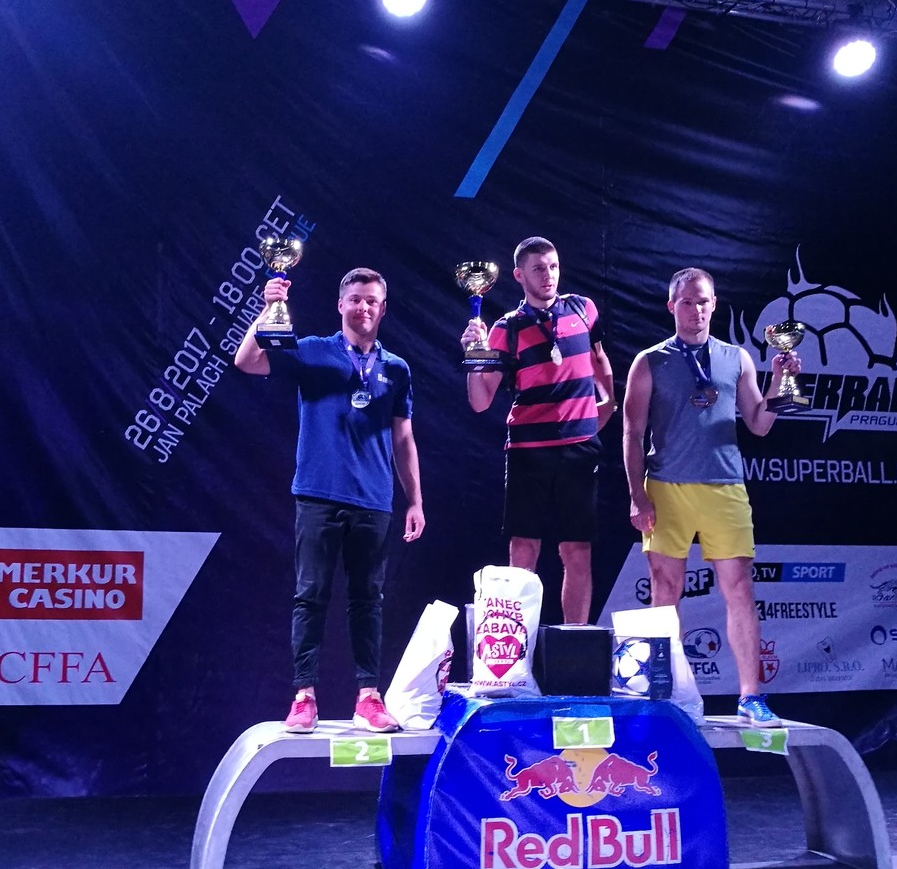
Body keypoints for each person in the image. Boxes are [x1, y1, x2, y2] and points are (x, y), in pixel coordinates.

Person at [235, 266, 425, 734]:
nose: (363, 307)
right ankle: (303, 697)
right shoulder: (312, 351)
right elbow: (247, 360)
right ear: (341, 304)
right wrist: (267, 308)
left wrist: (415, 500)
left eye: (372, 300)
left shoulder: (397, 369)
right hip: (318, 494)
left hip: (374, 498)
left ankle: (368, 698)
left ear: (383, 308)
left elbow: (403, 439)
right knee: (310, 597)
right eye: (355, 299)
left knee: (368, 601)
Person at [619, 267, 801, 727]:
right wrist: (638, 496)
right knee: (665, 591)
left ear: (714, 304)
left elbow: (759, 423)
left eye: (703, 302)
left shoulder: (737, 357)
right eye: (687, 302)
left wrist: (780, 382)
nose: (696, 311)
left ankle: (750, 696)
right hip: (667, 487)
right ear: (672, 306)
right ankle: (665, 694)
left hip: (725, 486)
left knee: (739, 589)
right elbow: (632, 432)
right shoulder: (649, 361)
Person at [461, 236, 613, 625]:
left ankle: (575, 641)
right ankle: (516, 647)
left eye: (553, 266)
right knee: (524, 548)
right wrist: (473, 357)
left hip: (579, 451)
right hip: (528, 451)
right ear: (519, 276)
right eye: (539, 269)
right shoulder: (505, 328)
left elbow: (599, 359)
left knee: (577, 551)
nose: (548, 275)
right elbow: (480, 401)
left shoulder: (583, 309)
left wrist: (608, 403)